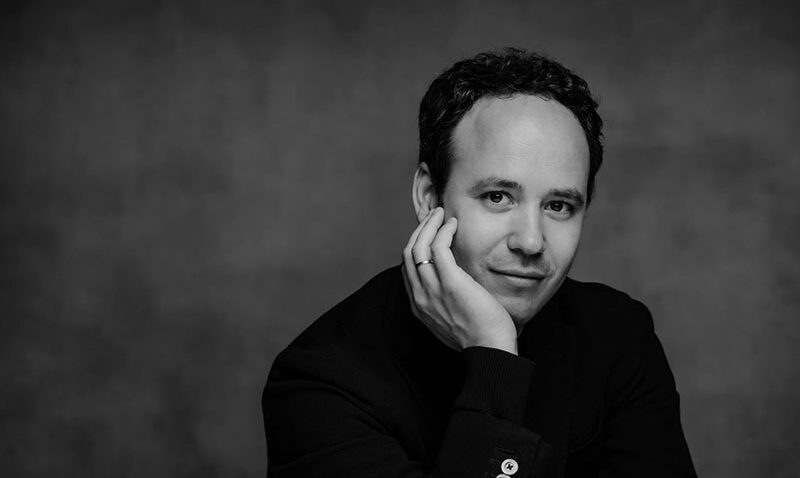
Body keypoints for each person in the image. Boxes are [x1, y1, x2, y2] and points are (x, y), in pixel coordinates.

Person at [263, 48, 697, 478]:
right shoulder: (319, 384)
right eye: (497, 197)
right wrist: (494, 356)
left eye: (559, 205)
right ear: (428, 196)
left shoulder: (618, 337)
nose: (530, 240)